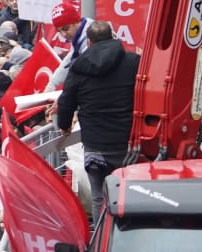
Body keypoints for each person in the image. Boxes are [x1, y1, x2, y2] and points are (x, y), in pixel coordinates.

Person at [56, 20, 139, 224]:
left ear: (90, 42)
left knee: (99, 197)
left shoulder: (78, 67)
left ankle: (102, 241)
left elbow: (67, 101)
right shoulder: (133, 62)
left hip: (95, 143)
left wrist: (64, 125)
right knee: (132, 193)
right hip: (126, 142)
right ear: (113, 37)